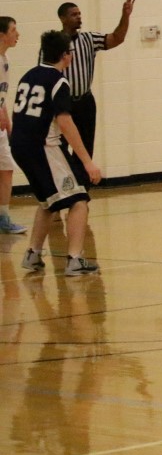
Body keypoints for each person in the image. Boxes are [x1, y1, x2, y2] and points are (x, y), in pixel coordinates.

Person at [14, 31, 104, 276]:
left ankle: (33, 255)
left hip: (20, 146)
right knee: (79, 199)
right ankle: (75, 259)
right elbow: (65, 122)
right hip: (44, 147)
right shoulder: (58, 81)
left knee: (49, 201)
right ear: (66, 55)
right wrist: (87, 162)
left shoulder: (28, 75)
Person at [52, 0, 135, 161]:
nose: (78, 17)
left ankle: (83, 178)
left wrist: (125, 16)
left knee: (85, 148)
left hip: (85, 101)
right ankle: (66, 177)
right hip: (62, 102)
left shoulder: (89, 39)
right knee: (59, 147)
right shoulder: (53, 43)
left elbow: (117, 38)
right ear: (62, 18)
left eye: (79, 14)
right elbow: (45, 72)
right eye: (73, 15)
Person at [0, 16, 27, 234]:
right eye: (13, 30)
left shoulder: (5, 59)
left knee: (6, 168)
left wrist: (7, 119)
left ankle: (3, 217)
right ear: (2, 35)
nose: (17, 34)